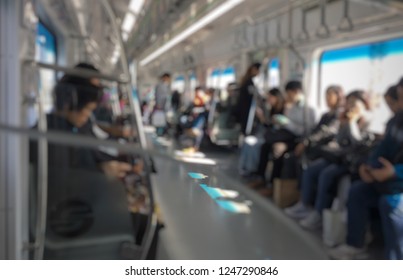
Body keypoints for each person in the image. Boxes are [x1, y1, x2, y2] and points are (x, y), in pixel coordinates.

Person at [329, 79, 403, 260]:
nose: (400, 104)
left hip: (397, 181)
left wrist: (395, 172)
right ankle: (355, 245)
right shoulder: (396, 121)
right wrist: (368, 166)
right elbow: (383, 147)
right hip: (390, 178)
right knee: (357, 191)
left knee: (391, 204)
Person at [31, 63, 138, 180]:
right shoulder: (49, 135)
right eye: (87, 109)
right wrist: (100, 170)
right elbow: (66, 179)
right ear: (72, 98)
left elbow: (93, 154)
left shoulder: (76, 126)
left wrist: (125, 164)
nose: (94, 92)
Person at [285, 90, 370, 229]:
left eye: (354, 104)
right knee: (311, 169)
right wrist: (344, 124)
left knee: (326, 174)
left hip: (352, 162)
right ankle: (305, 205)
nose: (350, 107)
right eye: (349, 104)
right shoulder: (343, 118)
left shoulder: (366, 122)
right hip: (339, 157)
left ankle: (319, 212)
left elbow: (358, 145)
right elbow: (340, 140)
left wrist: (352, 124)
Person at [248, 81, 316, 193]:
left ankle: (273, 184)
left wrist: (287, 123)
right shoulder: (291, 108)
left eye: (289, 94)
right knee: (265, 146)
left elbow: (305, 131)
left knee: (277, 149)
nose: (288, 97)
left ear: (297, 92)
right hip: (286, 135)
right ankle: (260, 177)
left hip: (297, 140)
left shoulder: (309, 111)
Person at [239, 88, 286, 177]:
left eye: (270, 97)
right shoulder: (272, 109)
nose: (268, 100)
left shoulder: (283, 109)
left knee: (255, 145)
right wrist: (263, 119)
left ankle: (253, 169)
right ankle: (246, 168)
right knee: (247, 142)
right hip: (269, 134)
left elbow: (274, 125)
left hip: (275, 135)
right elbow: (268, 125)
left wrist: (264, 119)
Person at [237, 62, 261, 135]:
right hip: (246, 109)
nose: (259, 73)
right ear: (254, 69)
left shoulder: (247, 81)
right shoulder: (248, 82)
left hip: (244, 108)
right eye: (258, 70)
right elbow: (251, 96)